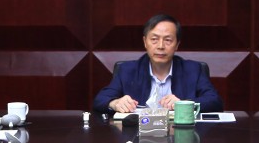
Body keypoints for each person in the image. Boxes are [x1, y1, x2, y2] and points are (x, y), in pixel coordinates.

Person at [93, 14, 222, 114]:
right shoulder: (128, 70)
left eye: (168, 40)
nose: (160, 46)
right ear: (145, 42)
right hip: (138, 135)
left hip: (180, 135)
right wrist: (115, 103)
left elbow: (215, 101)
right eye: (154, 39)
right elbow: (100, 100)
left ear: (177, 44)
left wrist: (184, 104)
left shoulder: (193, 69)